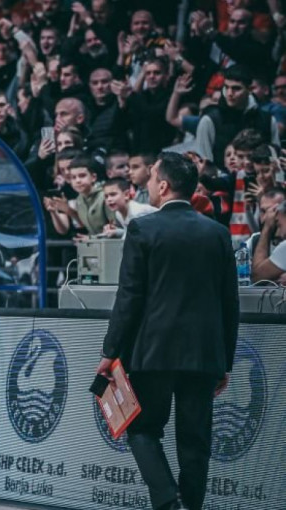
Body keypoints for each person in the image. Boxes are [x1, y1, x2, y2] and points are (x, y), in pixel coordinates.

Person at [96, 152, 239, 510]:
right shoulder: (218, 233)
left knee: (142, 430)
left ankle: (167, 500)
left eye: (150, 178)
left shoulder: (143, 229)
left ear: (163, 185)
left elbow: (129, 297)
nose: (146, 184)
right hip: (204, 354)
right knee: (195, 444)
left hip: (152, 351)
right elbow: (229, 303)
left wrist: (110, 351)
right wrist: (225, 360)